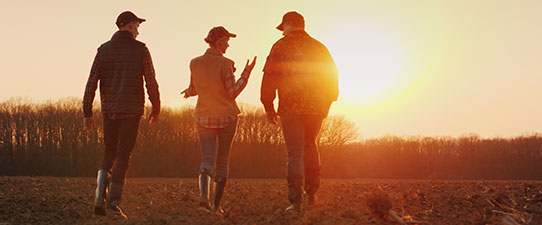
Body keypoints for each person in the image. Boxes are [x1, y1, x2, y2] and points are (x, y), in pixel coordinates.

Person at [82, 11, 161, 219]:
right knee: (124, 156)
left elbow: (91, 82)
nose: (138, 29)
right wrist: (156, 107)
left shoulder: (103, 50)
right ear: (128, 25)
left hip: (109, 111)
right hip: (132, 111)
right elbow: (151, 81)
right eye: (137, 25)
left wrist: (87, 112)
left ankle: (100, 195)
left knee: (109, 153)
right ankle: (113, 204)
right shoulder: (141, 50)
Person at [260, 11, 339, 213]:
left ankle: (295, 202)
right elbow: (332, 76)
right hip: (316, 107)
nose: (282, 32)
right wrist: (327, 102)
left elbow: (270, 76)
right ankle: (311, 194)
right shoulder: (319, 47)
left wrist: (268, 105)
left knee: (294, 152)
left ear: (289, 24)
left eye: (283, 27)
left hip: (290, 106)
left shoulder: (280, 46)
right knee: (310, 145)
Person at [181, 26, 256, 214]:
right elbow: (232, 92)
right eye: (227, 41)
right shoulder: (226, 64)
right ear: (220, 42)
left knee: (207, 159)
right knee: (222, 162)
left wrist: (188, 92)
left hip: (203, 116)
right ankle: (216, 206)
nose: (228, 45)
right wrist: (246, 74)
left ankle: (203, 198)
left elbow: (194, 87)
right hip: (226, 117)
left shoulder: (194, 63)